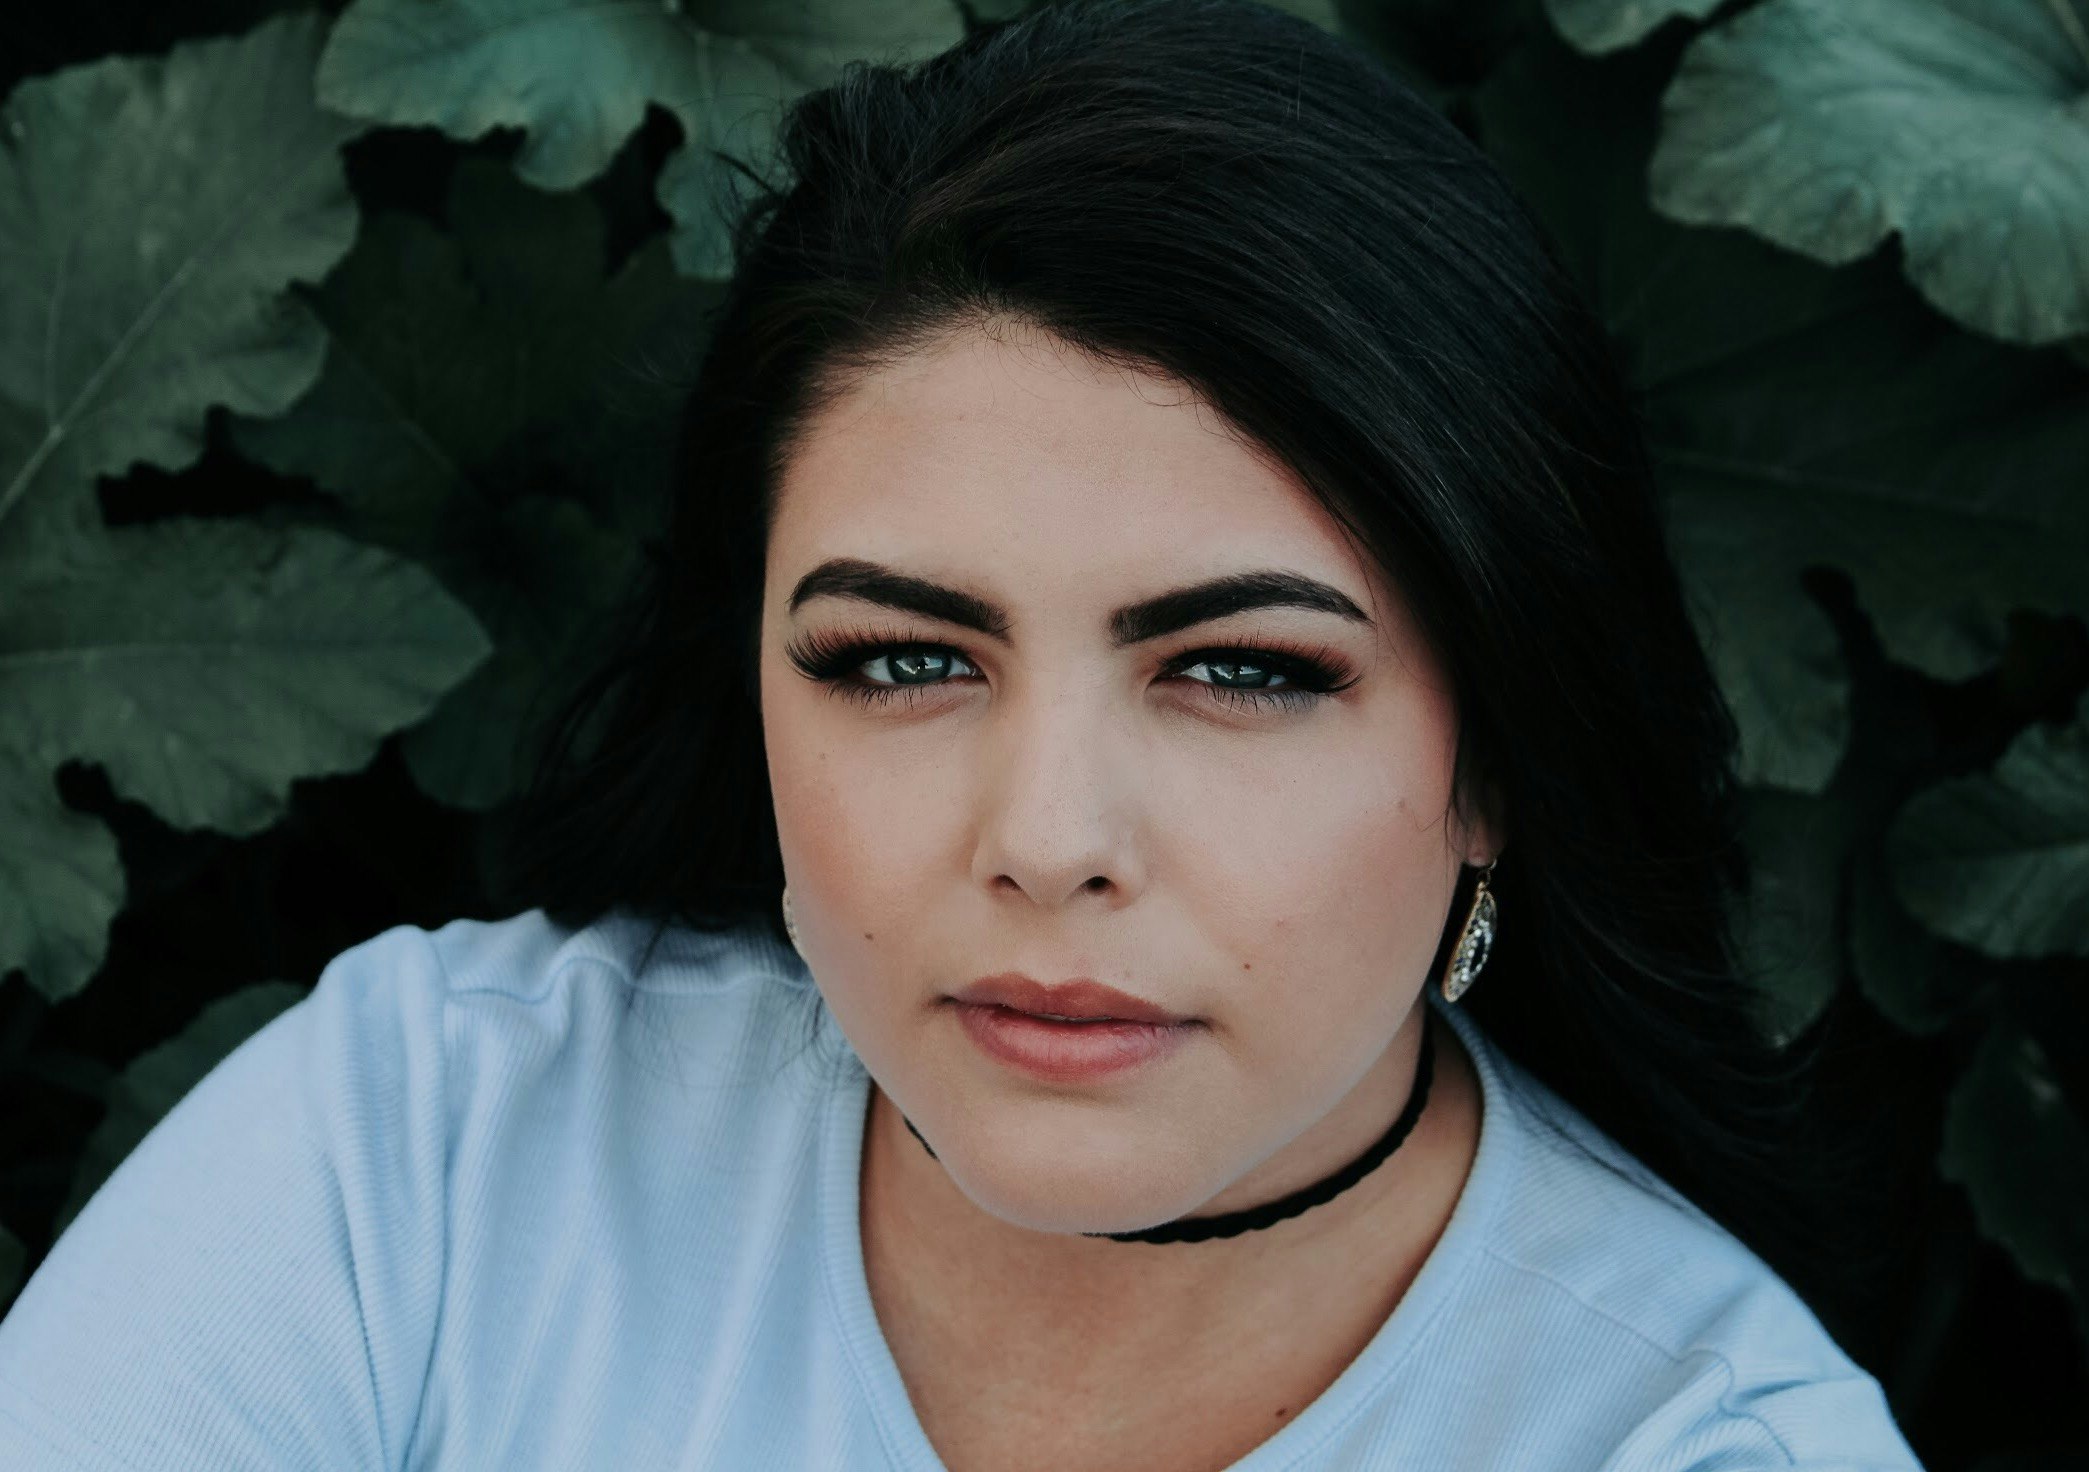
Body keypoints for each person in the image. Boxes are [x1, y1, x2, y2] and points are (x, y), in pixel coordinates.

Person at [0, 0, 1926, 1467]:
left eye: (1241, 669)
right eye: (901, 662)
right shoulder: (427, 1151)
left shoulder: (1695, 1440)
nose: (1048, 833)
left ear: (1501, 749)